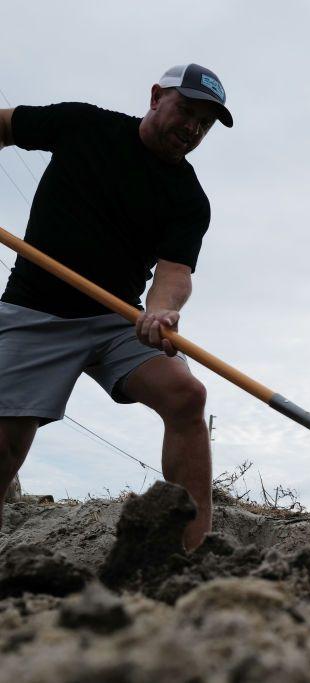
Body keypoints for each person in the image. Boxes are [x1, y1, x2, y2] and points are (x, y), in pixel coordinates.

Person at [0, 64, 233, 550]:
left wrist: (162, 311)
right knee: (7, 438)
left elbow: (174, 272)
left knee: (186, 396)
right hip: (35, 312)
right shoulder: (83, 126)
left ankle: (189, 553)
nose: (192, 128)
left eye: (204, 124)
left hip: (117, 321)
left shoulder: (188, 198)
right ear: (155, 97)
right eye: (186, 111)